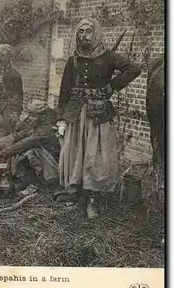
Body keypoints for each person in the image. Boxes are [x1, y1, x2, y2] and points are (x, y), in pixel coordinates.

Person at [57, 17, 141, 219]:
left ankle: (93, 198)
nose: (83, 35)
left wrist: (112, 86)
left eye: (87, 31)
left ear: (95, 33)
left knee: (95, 157)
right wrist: (60, 117)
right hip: (76, 116)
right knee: (76, 155)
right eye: (80, 32)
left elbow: (134, 69)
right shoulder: (73, 60)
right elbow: (65, 90)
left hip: (97, 115)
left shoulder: (108, 57)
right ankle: (77, 195)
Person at [0, 99, 61, 195]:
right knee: (19, 149)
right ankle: (25, 181)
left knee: (28, 154)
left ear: (43, 117)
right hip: (44, 164)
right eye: (29, 114)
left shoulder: (45, 130)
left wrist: (4, 153)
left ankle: (36, 185)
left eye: (33, 116)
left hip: (52, 167)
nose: (30, 118)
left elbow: (26, 143)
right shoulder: (35, 126)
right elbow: (17, 136)